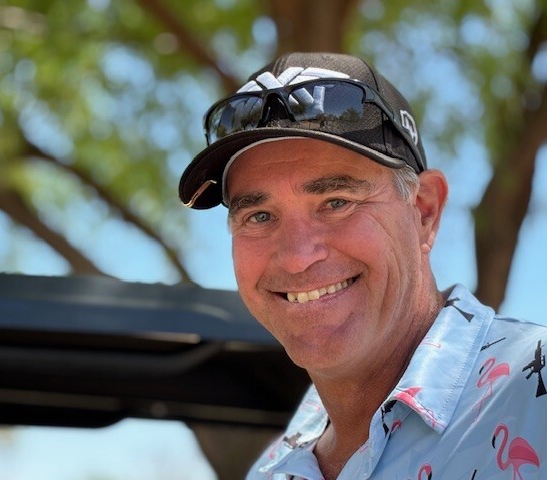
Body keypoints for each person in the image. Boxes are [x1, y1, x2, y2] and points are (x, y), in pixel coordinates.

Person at [178, 52, 547, 479]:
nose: (298, 257)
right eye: (259, 216)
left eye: (337, 202)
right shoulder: (272, 471)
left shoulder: (534, 400)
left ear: (424, 212)